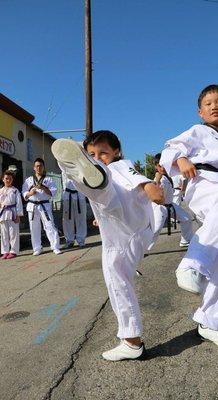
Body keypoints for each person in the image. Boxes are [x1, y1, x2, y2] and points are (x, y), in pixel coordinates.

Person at [51, 130, 164, 361]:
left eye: (103, 152)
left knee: (116, 280)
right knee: (117, 279)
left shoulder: (120, 166)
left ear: (116, 152)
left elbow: (136, 179)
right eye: (92, 153)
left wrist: (151, 187)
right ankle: (73, 167)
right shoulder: (114, 169)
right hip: (124, 226)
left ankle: (132, 342)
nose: (99, 155)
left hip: (124, 232)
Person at [160, 84, 218, 349]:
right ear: (200, 112)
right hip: (202, 181)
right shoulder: (199, 131)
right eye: (208, 103)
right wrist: (180, 161)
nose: (214, 106)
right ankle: (192, 264)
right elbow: (171, 146)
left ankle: (210, 321)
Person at [149, 153, 193, 249]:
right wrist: (157, 179)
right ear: (156, 166)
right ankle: (142, 249)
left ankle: (185, 240)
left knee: (186, 219)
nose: (163, 168)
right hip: (159, 207)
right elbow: (156, 187)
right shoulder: (159, 178)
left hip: (170, 205)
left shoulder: (168, 175)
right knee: (155, 229)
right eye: (160, 166)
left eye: (164, 165)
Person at [22, 158, 61, 256]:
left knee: (50, 226)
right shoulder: (29, 180)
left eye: (41, 166)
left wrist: (43, 187)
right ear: (34, 168)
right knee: (34, 227)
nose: (39, 168)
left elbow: (53, 192)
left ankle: (55, 247)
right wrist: (30, 193)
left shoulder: (48, 179)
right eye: (37, 166)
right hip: (32, 205)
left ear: (43, 167)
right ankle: (37, 248)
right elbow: (24, 193)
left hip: (44, 205)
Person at [0, 170, 23, 259]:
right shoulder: (0, 190)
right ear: (3, 179)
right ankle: (5, 251)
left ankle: (13, 251)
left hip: (13, 213)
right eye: (6, 178)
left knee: (13, 233)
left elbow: (19, 203)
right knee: (4, 234)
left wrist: (18, 215)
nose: (8, 180)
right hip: (2, 213)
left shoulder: (15, 190)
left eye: (10, 179)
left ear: (12, 180)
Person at [62, 173, 87, 248]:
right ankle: (69, 240)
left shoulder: (79, 166)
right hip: (68, 194)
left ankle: (81, 240)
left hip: (80, 194)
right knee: (67, 219)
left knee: (81, 218)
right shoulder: (63, 166)